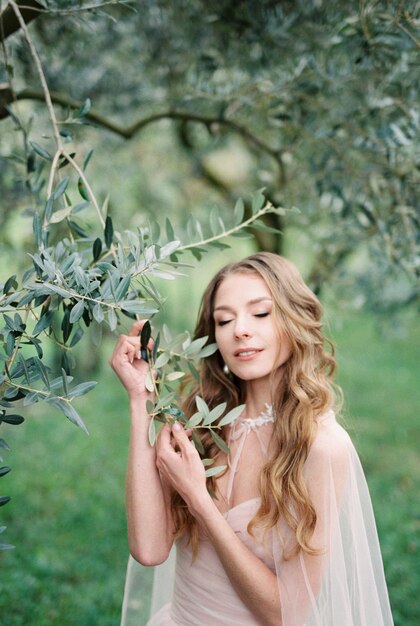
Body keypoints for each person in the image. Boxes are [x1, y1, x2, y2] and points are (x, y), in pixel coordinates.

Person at [110, 252, 394, 626]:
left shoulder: (322, 448)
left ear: (295, 320)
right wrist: (140, 399)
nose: (240, 329)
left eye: (260, 313)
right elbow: (148, 549)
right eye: (224, 320)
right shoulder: (201, 421)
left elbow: (284, 614)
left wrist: (200, 500)